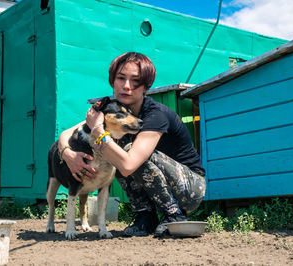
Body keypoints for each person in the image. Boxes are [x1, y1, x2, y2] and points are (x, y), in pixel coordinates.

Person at [58, 52, 206, 237]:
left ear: (146, 86)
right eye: (121, 78)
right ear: (113, 81)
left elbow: (128, 165)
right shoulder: (112, 111)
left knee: (123, 153)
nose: (126, 86)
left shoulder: (155, 115)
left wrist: (98, 132)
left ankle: (174, 215)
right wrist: (67, 154)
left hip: (190, 187)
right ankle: (146, 217)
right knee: (115, 153)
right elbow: (66, 134)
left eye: (135, 81)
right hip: (159, 182)